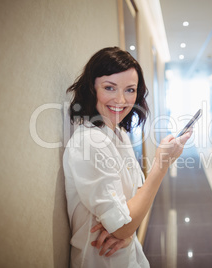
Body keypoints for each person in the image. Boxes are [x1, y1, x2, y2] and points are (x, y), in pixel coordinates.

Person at [63, 47, 191, 267]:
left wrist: (128, 232)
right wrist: (161, 165)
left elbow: (133, 206)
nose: (121, 99)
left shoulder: (118, 134)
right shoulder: (89, 144)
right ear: (91, 89)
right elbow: (121, 225)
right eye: (109, 88)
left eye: (130, 90)